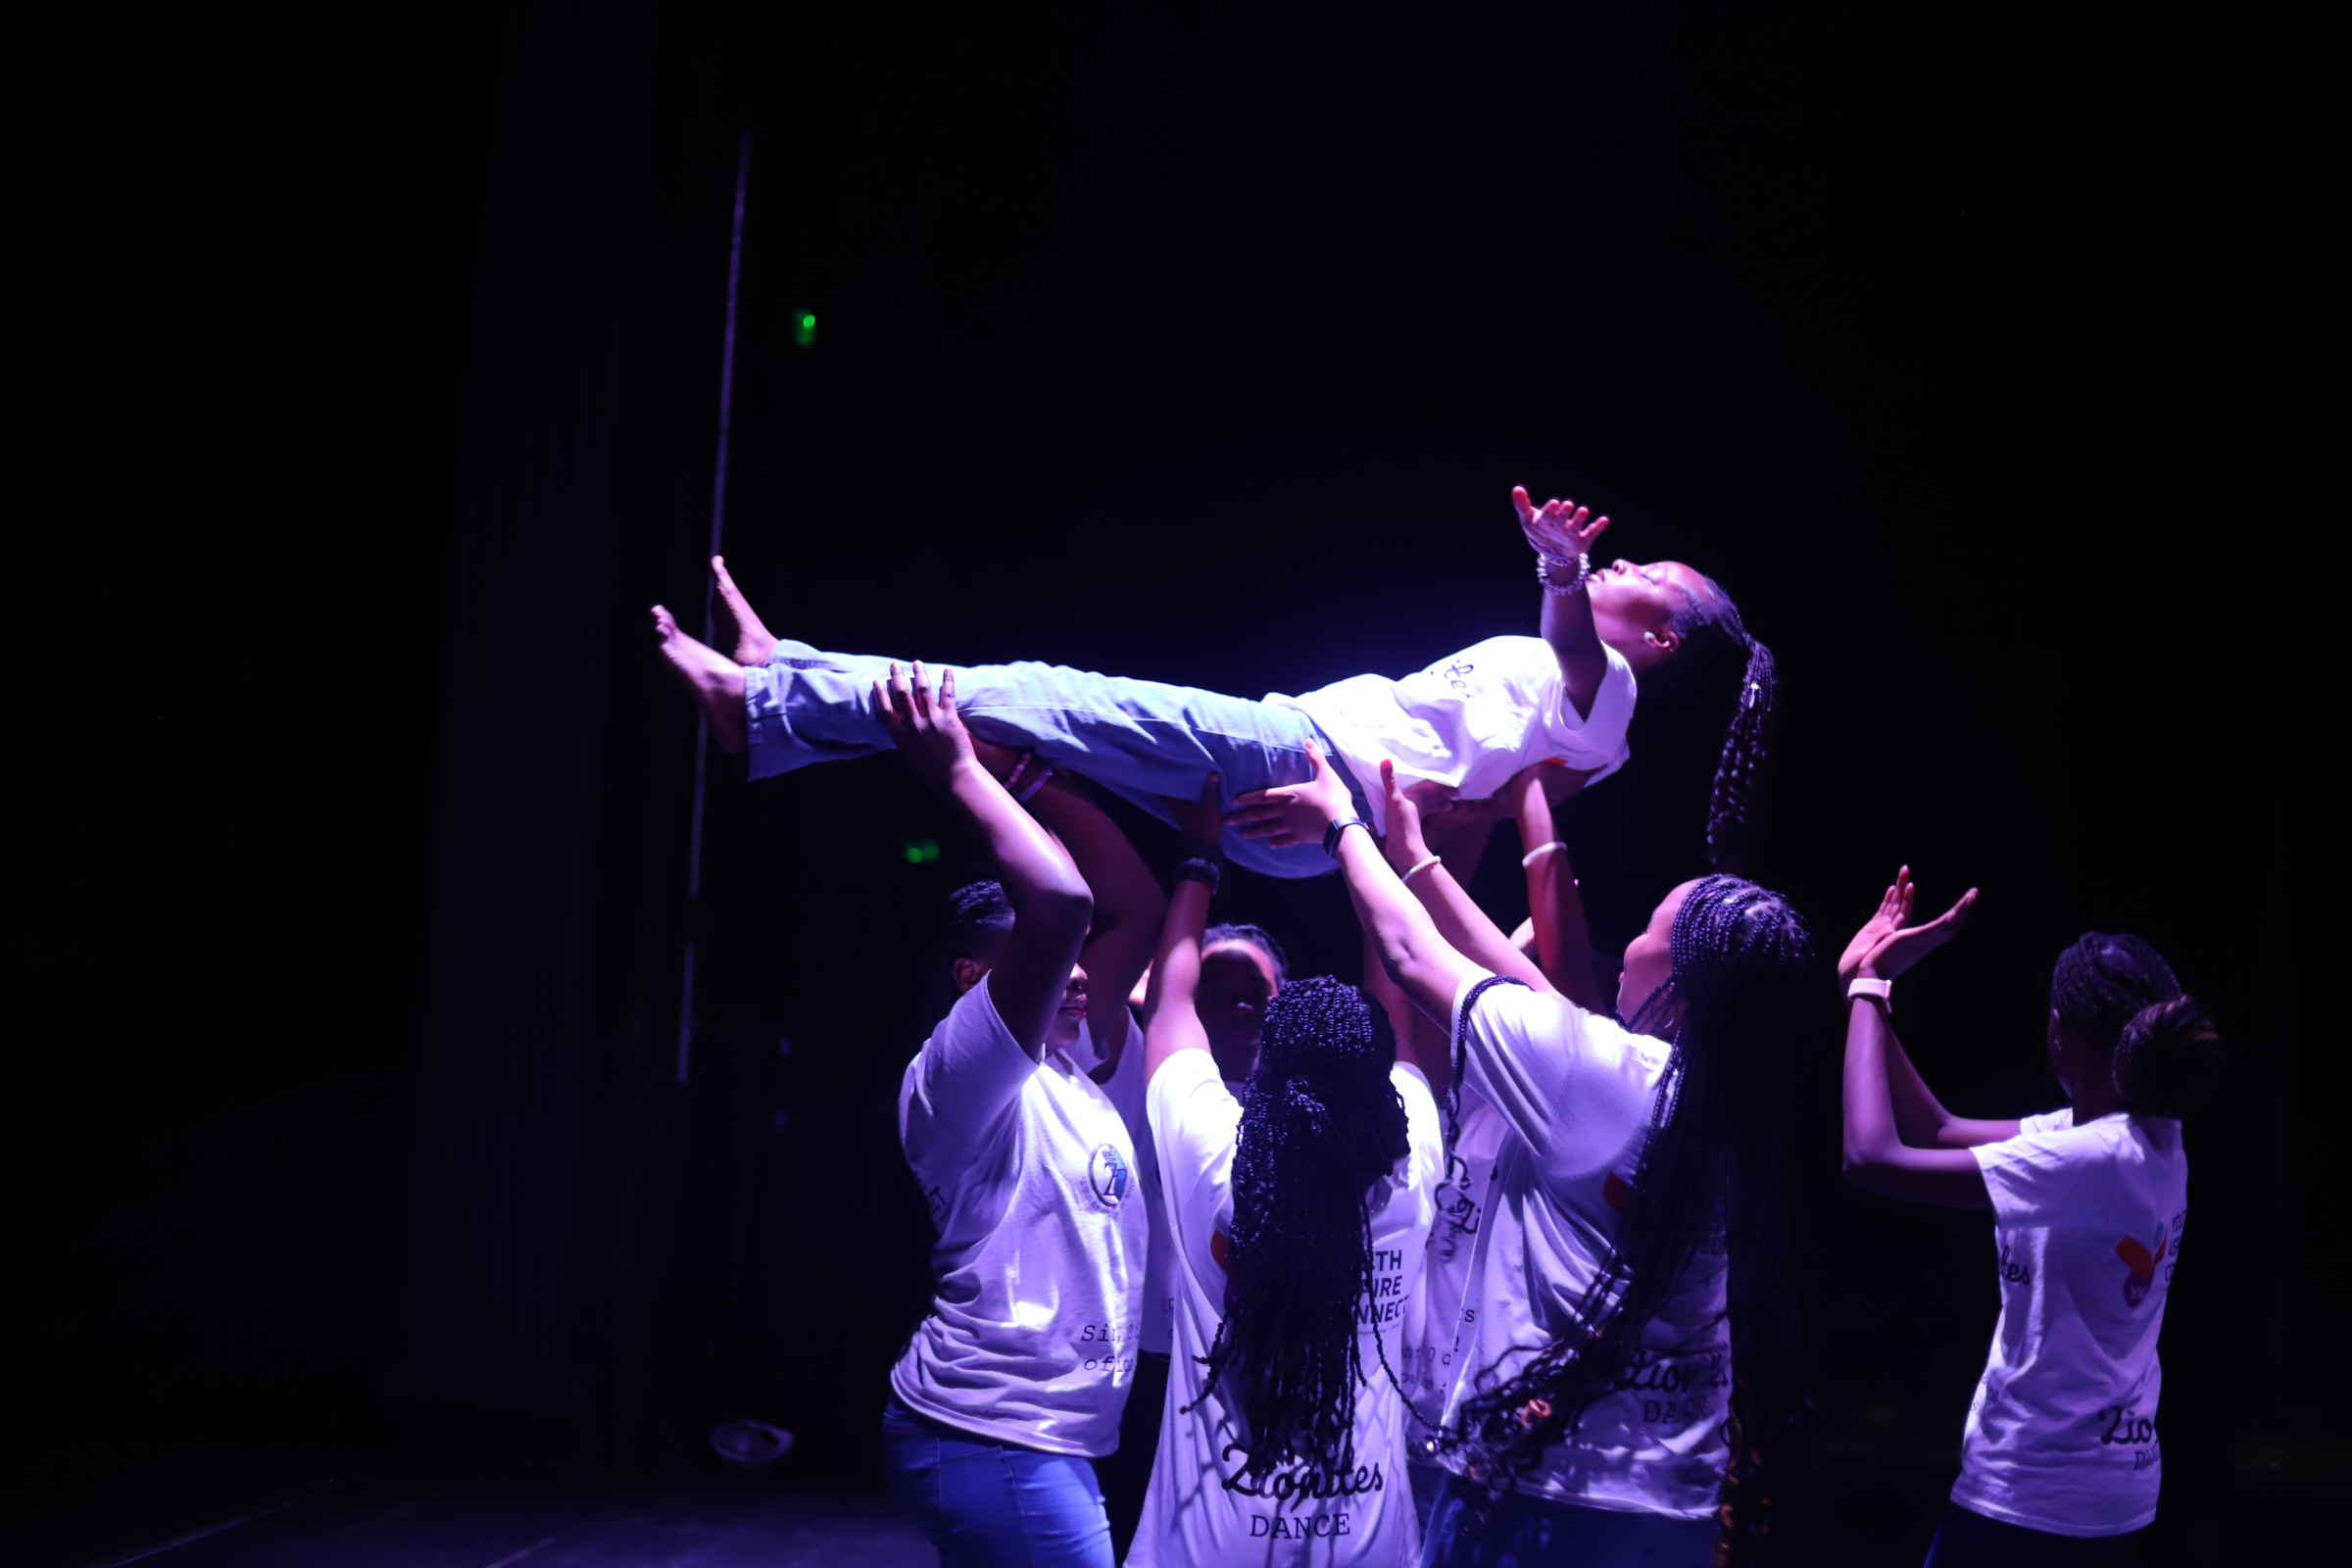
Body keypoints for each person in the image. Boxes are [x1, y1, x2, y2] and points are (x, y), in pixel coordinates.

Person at [1229, 747, 1816, 1567]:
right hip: (1673, 1500)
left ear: (1679, 985)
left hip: (1546, 1496)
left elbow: (1410, 956)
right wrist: (1419, 861)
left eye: (1646, 930)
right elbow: (1514, 983)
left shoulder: (1605, 1078)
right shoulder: (1728, 1103)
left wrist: (1342, 830)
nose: (1628, 944)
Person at [652, 486, 1779, 875]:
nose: (1624, 566)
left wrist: (1564, 567)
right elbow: (1476, 812)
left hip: (1294, 764)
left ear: (1664, 641)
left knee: (1042, 693)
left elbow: (1575, 645)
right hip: (1297, 799)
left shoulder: (1607, 695)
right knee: (1026, 725)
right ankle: (788, 689)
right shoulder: (1590, 740)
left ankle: (767, 705)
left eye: (1645, 573)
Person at [1837, 870, 2227, 1563]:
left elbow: (1871, 1156)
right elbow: (1939, 1129)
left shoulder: (2094, 1159)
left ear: (2058, 1032)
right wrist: (1867, 997)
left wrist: (1868, 984)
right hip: (2109, 1497)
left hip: (2033, 1500)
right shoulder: (2144, 1138)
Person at [1127, 778, 1445, 1564]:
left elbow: (1170, 1003)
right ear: (1379, 1077)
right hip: (1368, 1545)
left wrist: (1201, 854)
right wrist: (1360, 841)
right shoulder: (1411, 1153)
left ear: (1272, 1053)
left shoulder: (1212, 1152)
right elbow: (1398, 996)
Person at [875, 662, 1148, 1568]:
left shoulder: (1069, 1060)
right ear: (970, 979)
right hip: (986, 1431)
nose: (1079, 972)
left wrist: (1032, 776)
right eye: (1048, 959)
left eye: (1080, 962)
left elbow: (1132, 906)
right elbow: (1066, 904)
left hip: (1034, 1437)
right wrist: (960, 772)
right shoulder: (964, 1077)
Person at [1361, 760, 1613, 1529]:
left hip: (1521, 1436)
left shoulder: (1595, 1095)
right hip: (1427, 1417)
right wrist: (1459, 825)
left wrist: (1525, 793)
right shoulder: (1472, 1093)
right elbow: (1405, 979)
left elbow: (1560, 973)